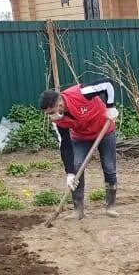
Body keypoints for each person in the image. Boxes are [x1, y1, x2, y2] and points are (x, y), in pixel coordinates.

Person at [39, 79, 120, 220]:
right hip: (81, 137)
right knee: (76, 166)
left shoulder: (81, 93)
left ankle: (110, 206)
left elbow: (108, 84)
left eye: (51, 112)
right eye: (47, 114)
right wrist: (69, 173)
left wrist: (110, 107)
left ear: (59, 104)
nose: (51, 116)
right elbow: (65, 144)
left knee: (109, 166)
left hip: (104, 130)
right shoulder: (57, 121)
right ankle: (78, 210)